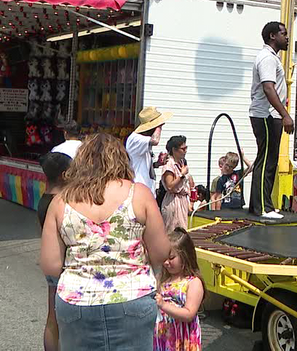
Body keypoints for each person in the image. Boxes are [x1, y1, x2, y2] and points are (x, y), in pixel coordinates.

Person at [40, 133, 171, 351]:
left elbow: (51, 266)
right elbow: (160, 252)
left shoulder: (61, 201)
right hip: (132, 297)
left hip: (77, 302)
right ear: (121, 159)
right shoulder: (138, 194)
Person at [249, 21, 295, 220]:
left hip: (269, 115)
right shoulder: (267, 58)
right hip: (266, 116)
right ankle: (262, 209)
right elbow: (269, 88)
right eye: (284, 34)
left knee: (268, 160)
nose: (287, 38)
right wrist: (285, 114)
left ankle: (261, 204)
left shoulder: (271, 58)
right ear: (272, 36)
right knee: (267, 160)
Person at [37, 152, 72, 351]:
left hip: (50, 263)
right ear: (64, 175)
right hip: (64, 265)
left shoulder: (44, 199)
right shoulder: (62, 203)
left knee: (52, 318)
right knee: (66, 321)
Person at [153, 228, 204, 351]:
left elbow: (189, 314)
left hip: (183, 339)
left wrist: (163, 305)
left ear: (185, 256)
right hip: (163, 337)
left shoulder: (193, 282)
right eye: (164, 258)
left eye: (171, 258)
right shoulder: (163, 280)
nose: (166, 262)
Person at [126, 106, 173, 196]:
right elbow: (155, 140)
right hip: (138, 191)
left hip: (146, 191)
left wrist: (157, 164)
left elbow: (142, 166)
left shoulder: (143, 142)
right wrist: (158, 126)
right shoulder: (135, 139)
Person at [161, 135, 193, 233]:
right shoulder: (169, 164)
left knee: (183, 232)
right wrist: (182, 175)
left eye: (186, 148)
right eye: (183, 149)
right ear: (174, 150)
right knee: (173, 232)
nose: (185, 151)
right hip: (173, 201)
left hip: (182, 200)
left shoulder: (182, 162)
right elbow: (170, 186)